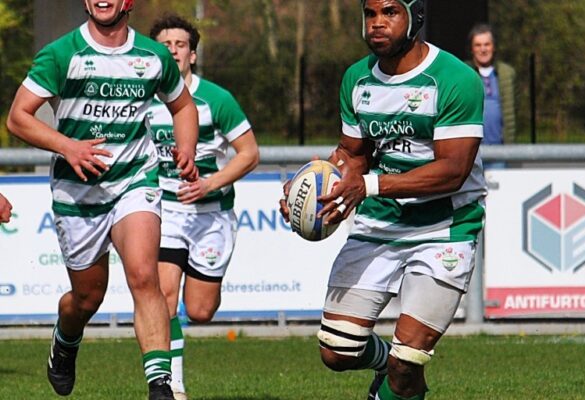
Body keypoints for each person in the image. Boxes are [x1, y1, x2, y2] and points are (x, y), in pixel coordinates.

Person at [280, 1, 486, 399]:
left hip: (444, 228)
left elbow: (453, 170)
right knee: (337, 351)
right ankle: (383, 366)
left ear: (415, 17)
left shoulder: (456, 79)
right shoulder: (357, 79)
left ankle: (394, 375)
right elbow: (352, 153)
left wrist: (368, 186)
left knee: (406, 361)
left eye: (390, 12)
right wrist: (313, 188)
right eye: (370, 13)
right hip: (379, 224)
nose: (377, 23)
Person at [6, 1, 199, 399]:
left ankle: (161, 385)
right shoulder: (61, 54)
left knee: (144, 275)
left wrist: (187, 148)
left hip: (135, 178)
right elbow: (18, 117)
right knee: (86, 297)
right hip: (78, 191)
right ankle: (66, 339)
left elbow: (182, 106)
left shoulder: (153, 56)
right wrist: (68, 147)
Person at [148, 14, 259, 400]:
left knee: (199, 310)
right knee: (163, 296)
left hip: (211, 216)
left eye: (180, 45)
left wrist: (210, 183)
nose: (173, 51)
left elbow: (249, 153)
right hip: (164, 210)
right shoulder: (143, 98)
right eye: (165, 45)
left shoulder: (216, 99)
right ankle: (172, 385)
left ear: (192, 55)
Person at [466, 23, 517, 146]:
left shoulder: (507, 73)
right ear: (471, 49)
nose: (483, 49)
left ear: (493, 47)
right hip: (472, 149)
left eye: (487, 44)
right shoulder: (463, 73)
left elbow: (514, 111)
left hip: (501, 147)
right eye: (478, 45)